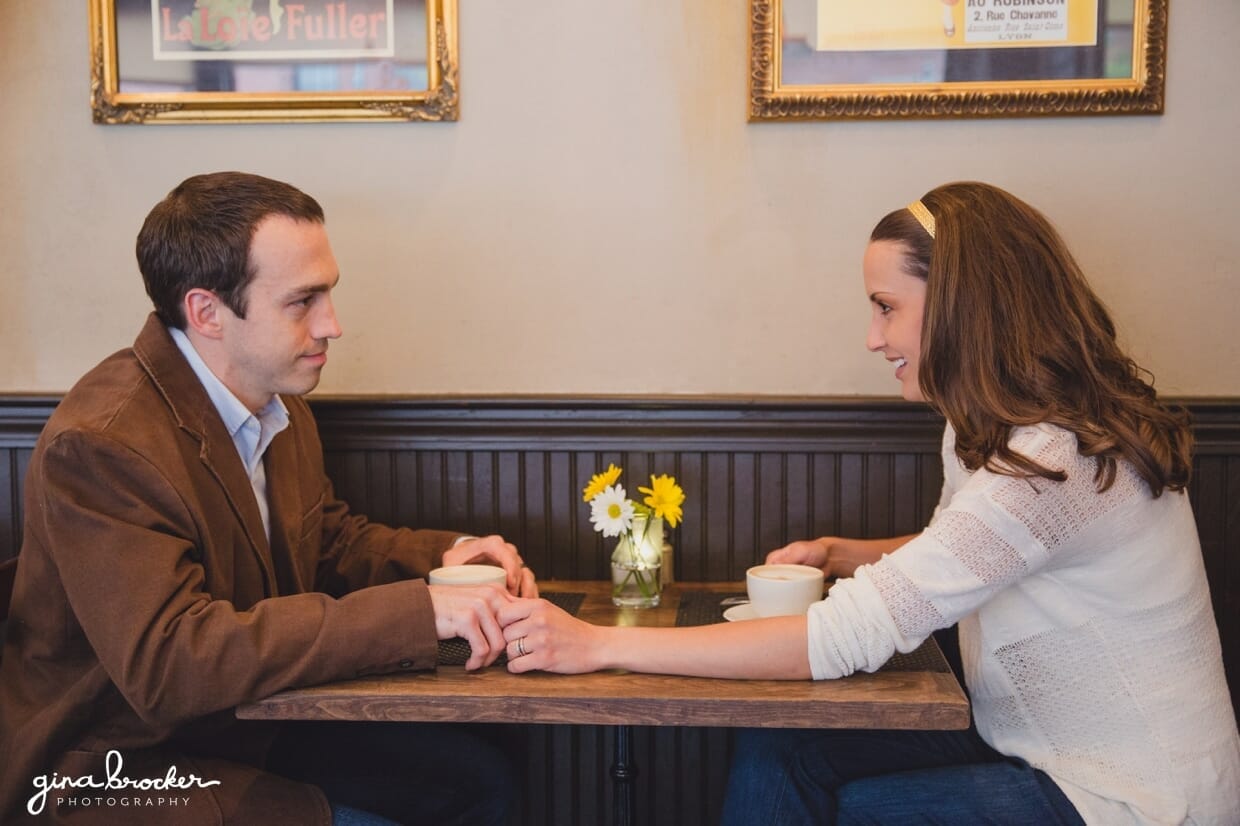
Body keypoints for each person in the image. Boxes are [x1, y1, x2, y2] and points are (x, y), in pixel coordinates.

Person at [496, 182, 1240, 823]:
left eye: (887, 307)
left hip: (1133, 800)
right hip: (1030, 741)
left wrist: (596, 645)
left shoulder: (1050, 466)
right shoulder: (991, 431)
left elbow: (837, 639)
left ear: (958, 303)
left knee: (862, 811)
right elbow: (965, 548)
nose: (872, 336)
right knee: (778, 748)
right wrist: (845, 555)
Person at [0, 171, 537, 826]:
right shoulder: (100, 448)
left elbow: (327, 540)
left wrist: (447, 558)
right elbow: (169, 666)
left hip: (236, 722)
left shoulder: (271, 396)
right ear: (207, 313)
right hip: (115, 767)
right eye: (302, 301)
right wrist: (417, 613)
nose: (332, 325)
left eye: (329, 295)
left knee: (483, 771)